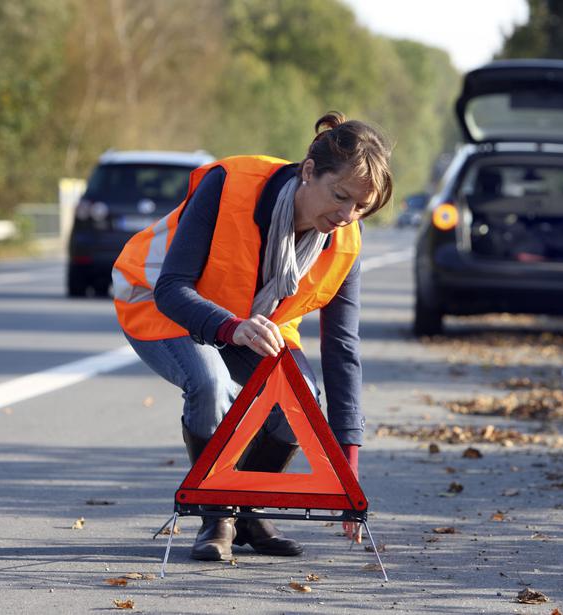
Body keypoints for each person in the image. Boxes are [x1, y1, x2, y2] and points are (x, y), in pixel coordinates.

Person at [111, 111, 392, 561]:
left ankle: (246, 507)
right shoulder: (228, 185)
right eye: (340, 197)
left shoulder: (346, 241)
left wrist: (348, 460)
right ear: (308, 172)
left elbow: (342, 346)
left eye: (361, 207)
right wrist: (233, 328)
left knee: (301, 398)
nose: (347, 216)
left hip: (251, 324)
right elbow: (172, 289)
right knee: (210, 383)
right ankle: (217, 517)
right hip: (161, 304)